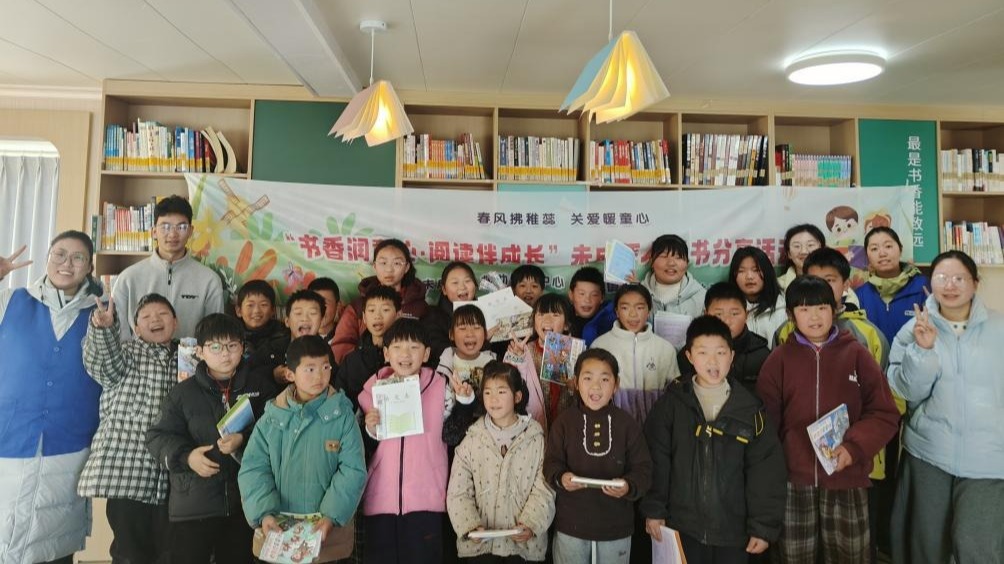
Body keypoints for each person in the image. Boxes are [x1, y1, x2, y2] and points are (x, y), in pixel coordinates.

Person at [756, 276, 899, 563]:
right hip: (794, 481)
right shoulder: (779, 360)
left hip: (847, 476)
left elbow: (884, 413)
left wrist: (853, 448)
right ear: (791, 315)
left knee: (850, 555)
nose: (814, 317)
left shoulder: (857, 354)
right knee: (794, 555)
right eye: (804, 309)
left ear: (834, 310)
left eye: (822, 308)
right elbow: (766, 422)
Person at [887, 250, 1004, 563]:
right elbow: (904, 390)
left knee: (979, 546)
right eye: (941, 277)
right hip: (930, 453)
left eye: (959, 278)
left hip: (989, 459)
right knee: (927, 546)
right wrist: (923, 351)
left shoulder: (1000, 328)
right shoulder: (914, 329)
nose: (949, 285)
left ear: (975, 283)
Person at [642, 316, 786, 564]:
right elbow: (656, 460)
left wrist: (763, 526)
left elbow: (765, 472)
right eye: (703, 352)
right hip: (682, 527)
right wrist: (654, 509)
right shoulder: (672, 405)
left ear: (732, 356)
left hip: (733, 531)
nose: (713, 361)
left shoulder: (749, 409)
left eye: (720, 353)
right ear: (689, 356)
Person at [0, 232, 103, 564]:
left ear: (89, 267)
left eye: (77, 257)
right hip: (9, 439)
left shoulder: (102, 314)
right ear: (47, 258)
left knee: (54, 542)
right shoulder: (10, 300)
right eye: (59, 254)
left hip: (70, 446)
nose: (66, 263)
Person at [146, 313, 272, 564]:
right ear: (200, 352)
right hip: (193, 505)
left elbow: (275, 431)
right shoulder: (183, 393)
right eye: (215, 347)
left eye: (232, 345)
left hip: (245, 503)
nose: (225, 354)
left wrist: (243, 439)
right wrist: (188, 457)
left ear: (242, 348)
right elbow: (157, 437)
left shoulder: (261, 387)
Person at [239, 335, 368, 563]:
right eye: (310, 369)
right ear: (290, 374)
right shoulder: (271, 418)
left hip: (327, 538)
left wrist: (331, 516)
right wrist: (264, 514)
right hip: (279, 535)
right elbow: (253, 468)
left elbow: (352, 470)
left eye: (325, 367)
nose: (319, 376)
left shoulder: (342, 416)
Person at [357, 319, 474, 564]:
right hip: (380, 501)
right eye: (398, 347)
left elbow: (453, 436)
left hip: (426, 501)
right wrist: (369, 430)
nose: (405, 354)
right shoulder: (371, 392)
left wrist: (464, 404)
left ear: (426, 353)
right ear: (386, 353)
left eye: (414, 347)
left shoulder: (441, 388)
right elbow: (358, 452)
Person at [78, 293, 179, 564]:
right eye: (146, 317)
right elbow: (101, 363)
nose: (155, 320)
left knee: (172, 555)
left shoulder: (189, 358)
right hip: (128, 476)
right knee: (129, 554)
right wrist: (104, 329)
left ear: (176, 322)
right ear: (136, 328)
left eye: (162, 314)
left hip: (174, 479)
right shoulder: (124, 355)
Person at [543, 348, 652, 564]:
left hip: (615, 526)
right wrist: (561, 478)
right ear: (576, 383)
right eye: (587, 378)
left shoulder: (626, 423)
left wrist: (628, 486)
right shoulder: (564, 422)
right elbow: (551, 463)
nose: (596, 387)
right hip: (571, 524)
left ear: (616, 384)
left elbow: (643, 468)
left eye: (604, 379)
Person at [447, 361, 555, 564]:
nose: (493, 399)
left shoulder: (535, 438)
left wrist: (531, 523)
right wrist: (469, 526)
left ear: (517, 397)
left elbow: (545, 488)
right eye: (487, 392)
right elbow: (458, 491)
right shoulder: (472, 439)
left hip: (522, 546)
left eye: (501, 392)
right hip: (481, 547)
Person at [113, 195, 225, 340]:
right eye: (165, 226)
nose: (172, 234)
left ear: (191, 231)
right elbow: (119, 334)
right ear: (154, 231)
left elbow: (215, 335)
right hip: (138, 355)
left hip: (191, 355)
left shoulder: (209, 280)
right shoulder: (128, 278)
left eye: (181, 227)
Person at [591, 284, 679, 424]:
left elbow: (675, 394)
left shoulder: (665, 348)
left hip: (656, 427)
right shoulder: (600, 345)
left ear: (649, 310)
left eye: (639, 307)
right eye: (625, 308)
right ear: (617, 311)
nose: (633, 314)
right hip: (613, 426)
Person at [332, 239, 429, 364]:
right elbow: (341, 345)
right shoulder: (358, 306)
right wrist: (363, 363)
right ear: (374, 266)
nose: (389, 269)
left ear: (406, 267)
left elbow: (427, 345)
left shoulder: (420, 307)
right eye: (383, 262)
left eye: (397, 263)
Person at [677, 282, 769, 397]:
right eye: (718, 314)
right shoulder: (691, 353)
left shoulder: (762, 355)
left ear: (746, 315)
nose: (727, 321)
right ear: (706, 314)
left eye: (734, 314)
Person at [508, 293, 578, 430]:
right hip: (532, 428)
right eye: (541, 314)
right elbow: (509, 387)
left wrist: (573, 387)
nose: (547, 320)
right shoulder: (521, 350)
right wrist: (518, 359)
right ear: (533, 322)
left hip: (567, 426)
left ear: (566, 325)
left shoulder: (577, 352)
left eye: (555, 315)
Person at [248, 289, 332, 400]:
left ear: (321, 320)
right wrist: (272, 374)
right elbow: (248, 372)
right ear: (287, 321)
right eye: (298, 313)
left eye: (312, 313)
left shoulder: (325, 351)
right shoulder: (272, 348)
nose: (305, 318)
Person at [855, 226, 929, 344]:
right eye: (874, 249)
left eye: (888, 246)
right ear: (867, 256)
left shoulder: (923, 287)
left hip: (914, 355)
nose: (882, 253)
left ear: (900, 249)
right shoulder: (859, 296)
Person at [335, 285, 399, 414]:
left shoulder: (407, 358)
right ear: (364, 317)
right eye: (371, 310)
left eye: (385, 310)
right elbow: (340, 403)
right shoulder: (352, 361)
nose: (377, 316)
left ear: (398, 315)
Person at [440, 304, 497, 446]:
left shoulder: (492, 363)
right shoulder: (446, 364)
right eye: (462, 328)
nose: (470, 333)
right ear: (451, 334)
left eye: (476, 327)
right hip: (456, 436)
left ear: (485, 334)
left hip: (487, 437)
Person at [728, 247, 786, 347]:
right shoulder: (727, 310)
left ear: (767, 272)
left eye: (756, 270)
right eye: (741, 271)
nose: (749, 276)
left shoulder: (784, 308)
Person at [424, 261, 479, 364]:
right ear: (444, 289)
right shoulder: (432, 316)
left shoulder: (485, 313)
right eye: (455, 283)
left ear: (475, 286)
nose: (462, 287)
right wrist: (483, 340)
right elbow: (438, 351)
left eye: (467, 281)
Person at [639, 234, 706, 318]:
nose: (671, 263)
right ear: (651, 262)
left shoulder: (702, 297)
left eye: (678, 257)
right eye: (664, 256)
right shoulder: (637, 295)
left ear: (687, 263)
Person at [234, 279, 284, 359]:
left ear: (273, 310)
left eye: (263, 305)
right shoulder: (231, 334)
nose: (256, 310)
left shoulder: (282, 334)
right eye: (250, 305)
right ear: (239, 311)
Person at [567, 266, 615, 346]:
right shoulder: (561, 317)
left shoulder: (611, 319)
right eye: (582, 294)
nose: (587, 300)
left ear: (602, 298)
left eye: (594, 295)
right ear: (571, 295)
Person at [777, 224, 825, 289]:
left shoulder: (832, 280)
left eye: (810, 245)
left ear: (822, 249)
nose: (803, 251)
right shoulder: (778, 285)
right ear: (789, 254)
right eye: (797, 246)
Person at [309, 277, 345, 345]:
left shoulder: (347, 337)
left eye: (324, 303)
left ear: (338, 306)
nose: (319, 309)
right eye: (314, 303)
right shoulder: (299, 338)